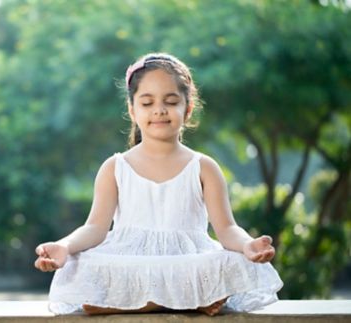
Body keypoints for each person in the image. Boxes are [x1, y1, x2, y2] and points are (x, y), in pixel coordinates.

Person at [34, 53, 283, 316]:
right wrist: (64, 246)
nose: (159, 110)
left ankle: (133, 304)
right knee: (78, 262)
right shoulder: (115, 167)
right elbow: (95, 227)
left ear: (187, 109)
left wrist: (247, 245)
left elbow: (227, 229)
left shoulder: (203, 167)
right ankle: (187, 301)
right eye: (147, 102)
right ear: (132, 110)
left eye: (171, 101)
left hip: (186, 260)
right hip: (130, 260)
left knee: (233, 260)